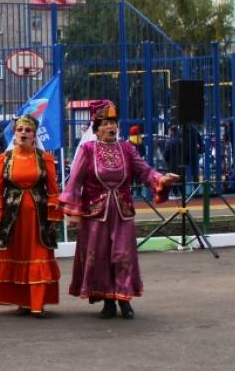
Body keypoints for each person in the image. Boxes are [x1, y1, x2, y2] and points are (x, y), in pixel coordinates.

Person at [60, 100, 178, 320]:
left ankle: (124, 299)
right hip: (96, 213)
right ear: (96, 128)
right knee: (101, 257)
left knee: (123, 254)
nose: (110, 127)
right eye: (104, 123)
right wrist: (73, 212)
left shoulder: (126, 149)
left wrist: (162, 178)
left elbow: (144, 171)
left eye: (113, 122)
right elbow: (74, 181)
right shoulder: (87, 149)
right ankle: (108, 301)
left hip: (122, 211)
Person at [0, 114, 62, 316]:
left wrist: (54, 216)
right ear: (14, 134)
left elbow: (53, 189)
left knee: (39, 254)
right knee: (16, 254)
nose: (23, 133)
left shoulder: (44, 158)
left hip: (38, 218)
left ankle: (37, 303)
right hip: (13, 217)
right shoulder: (5, 159)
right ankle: (21, 300)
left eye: (28, 130)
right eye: (19, 130)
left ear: (35, 135)